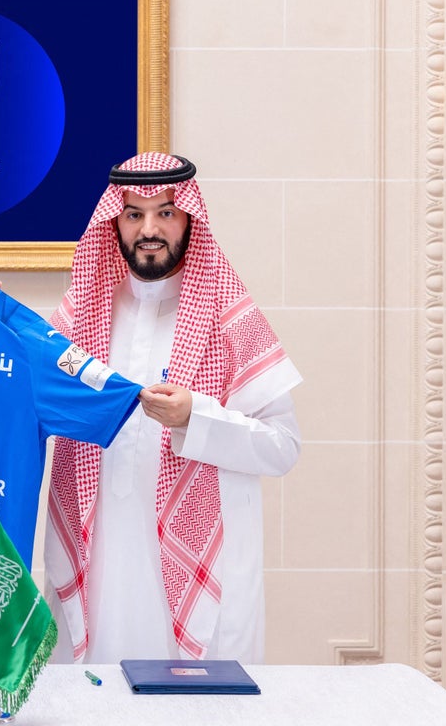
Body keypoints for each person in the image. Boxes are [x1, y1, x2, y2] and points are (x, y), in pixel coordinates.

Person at [43, 151, 302, 664]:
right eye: (134, 214)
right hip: (99, 560)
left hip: (199, 563)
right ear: (114, 222)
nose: (149, 229)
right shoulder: (81, 315)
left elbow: (283, 448)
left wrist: (195, 418)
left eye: (165, 212)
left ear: (189, 219)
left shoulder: (229, 317)